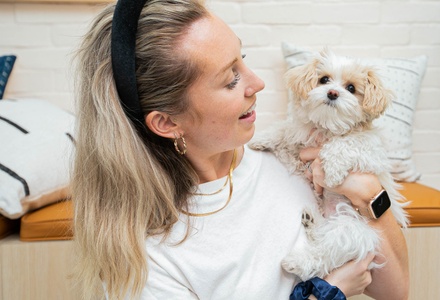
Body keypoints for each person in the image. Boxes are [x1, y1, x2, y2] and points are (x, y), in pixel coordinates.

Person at [71, 0, 409, 299]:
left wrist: (371, 197)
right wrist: (328, 294)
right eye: (230, 79)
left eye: (242, 58)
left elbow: (395, 293)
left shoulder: (288, 156)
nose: (257, 83)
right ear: (167, 122)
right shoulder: (150, 261)